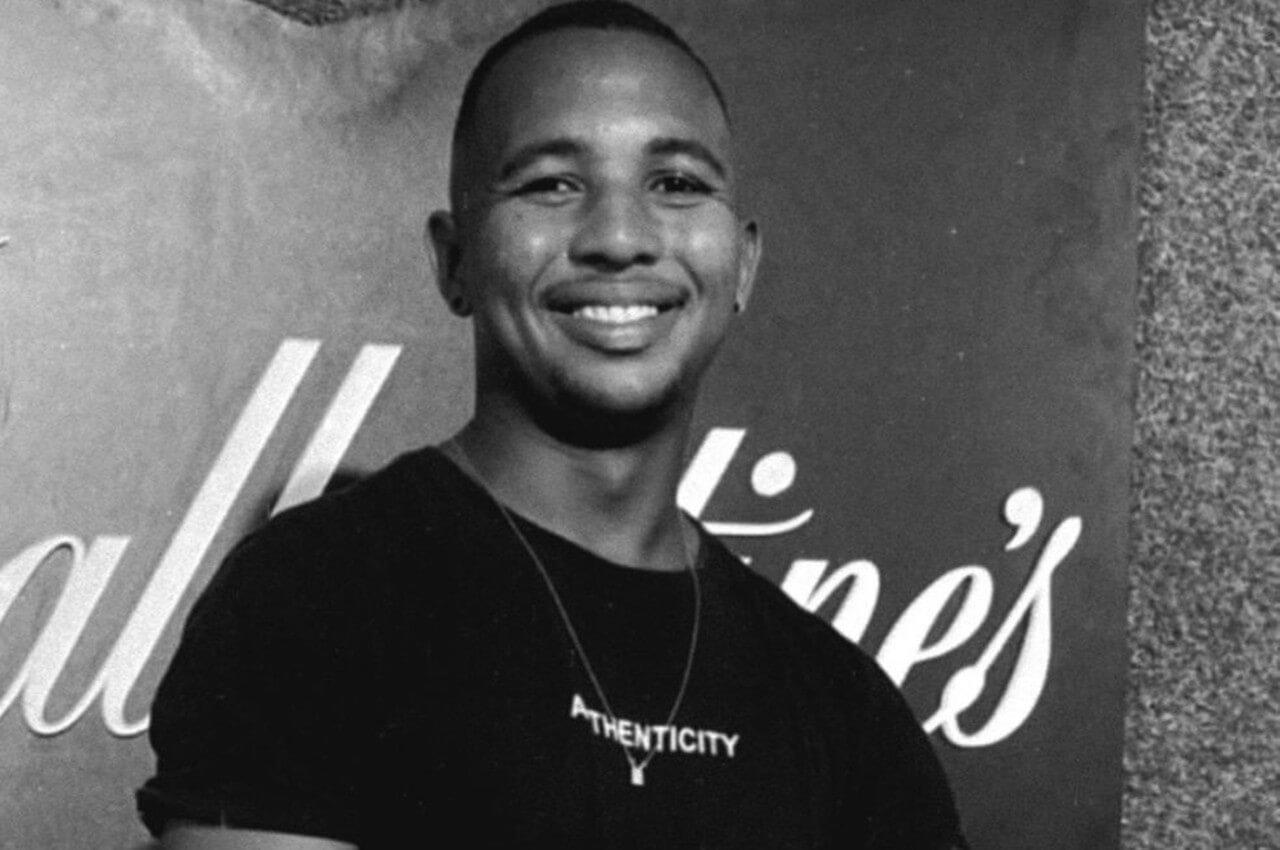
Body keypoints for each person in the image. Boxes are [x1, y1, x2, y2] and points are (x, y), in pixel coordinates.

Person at [137, 2, 968, 847]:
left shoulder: (841, 706)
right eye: (552, 184)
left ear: (743, 265)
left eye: (677, 184)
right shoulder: (315, 598)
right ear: (454, 260)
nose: (620, 237)